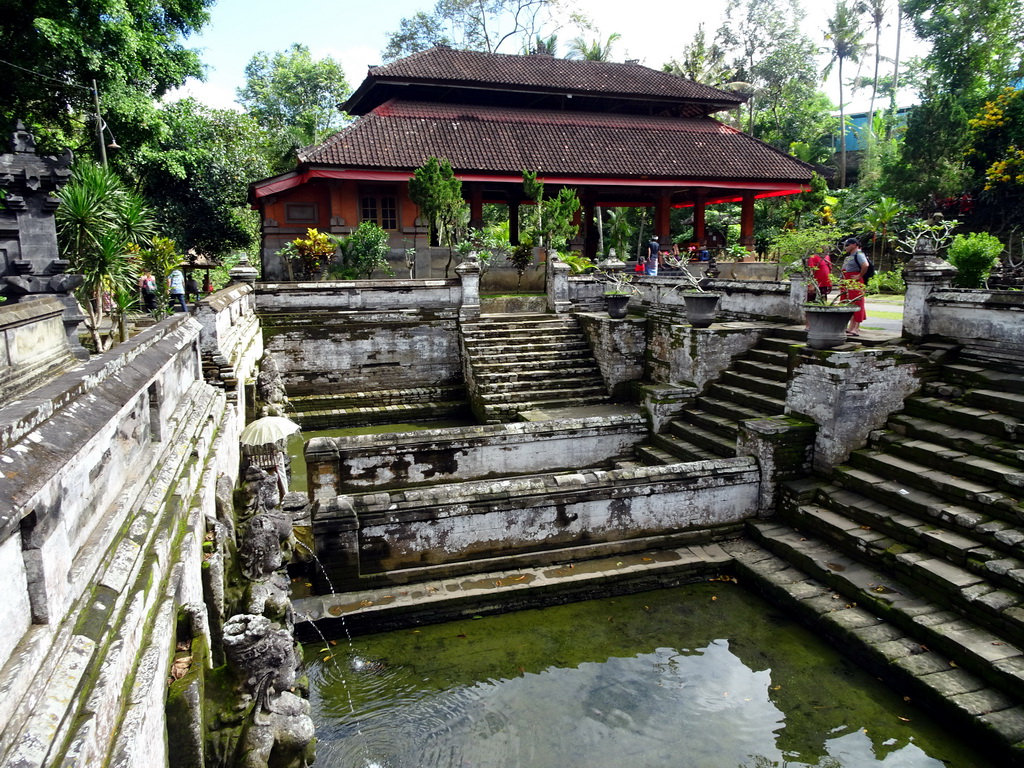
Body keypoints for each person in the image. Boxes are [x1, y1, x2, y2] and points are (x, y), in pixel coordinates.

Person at [840, 237, 869, 335]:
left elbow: (865, 265)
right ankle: (850, 326)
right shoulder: (850, 256)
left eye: (847, 245)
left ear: (854, 245)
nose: (845, 247)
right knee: (848, 302)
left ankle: (855, 327)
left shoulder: (859, 254)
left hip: (854, 280)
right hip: (847, 280)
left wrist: (860, 275)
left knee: (857, 303)